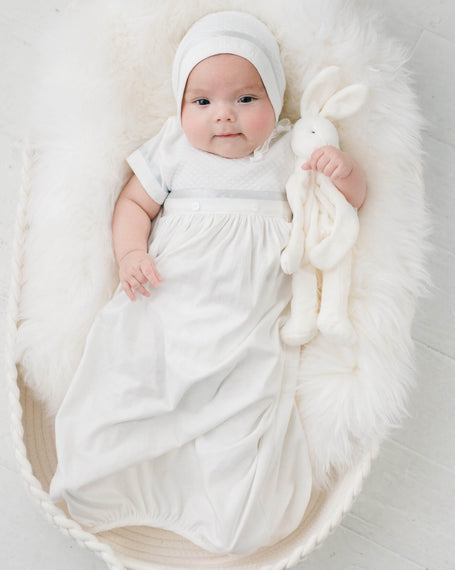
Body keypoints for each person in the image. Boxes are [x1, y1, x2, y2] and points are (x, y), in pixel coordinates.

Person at [49, 10, 366, 556]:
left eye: (246, 99)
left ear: (275, 98)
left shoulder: (290, 152)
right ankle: (116, 480)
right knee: (132, 381)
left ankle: (221, 506)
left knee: (245, 410)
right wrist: (129, 253)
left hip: (247, 325)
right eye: (203, 102)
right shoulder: (172, 148)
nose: (224, 116)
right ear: (180, 107)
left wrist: (343, 173)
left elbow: (343, 208)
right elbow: (133, 203)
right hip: (167, 301)